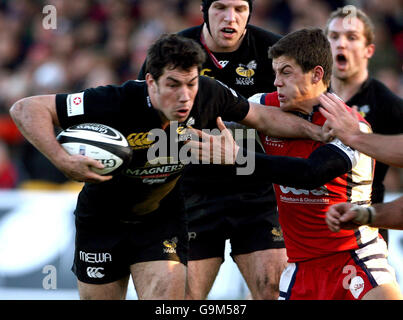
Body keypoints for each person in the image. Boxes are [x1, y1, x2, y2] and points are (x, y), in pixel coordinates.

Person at [9, 33, 324, 300]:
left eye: (190, 83)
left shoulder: (209, 94)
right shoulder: (113, 101)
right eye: (173, 84)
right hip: (101, 220)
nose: (184, 96)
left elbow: (264, 118)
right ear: (150, 81)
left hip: (161, 218)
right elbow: (26, 108)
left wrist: (321, 131)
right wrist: (63, 160)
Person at [188, 28, 402, 299]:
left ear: (316, 74)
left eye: (286, 72)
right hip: (300, 267)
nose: (276, 82)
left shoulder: (350, 126)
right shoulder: (265, 105)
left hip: (353, 257)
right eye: (275, 72)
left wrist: (237, 157)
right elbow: (223, 101)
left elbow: (310, 173)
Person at [139, 0, 287, 300]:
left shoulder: (275, 52)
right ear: (204, 10)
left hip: (256, 193)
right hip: (191, 194)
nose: (229, 17)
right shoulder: (173, 53)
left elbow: (297, 116)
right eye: (220, 7)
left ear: (250, 12)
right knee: (181, 299)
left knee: (274, 289)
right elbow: (151, 130)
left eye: (239, 9)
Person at [323, 6, 403, 243]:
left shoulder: (388, 105)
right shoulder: (308, 100)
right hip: (310, 226)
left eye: (351, 37)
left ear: (369, 50)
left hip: (366, 226)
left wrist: (356, 135)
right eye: (334, 36)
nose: (341, 44)